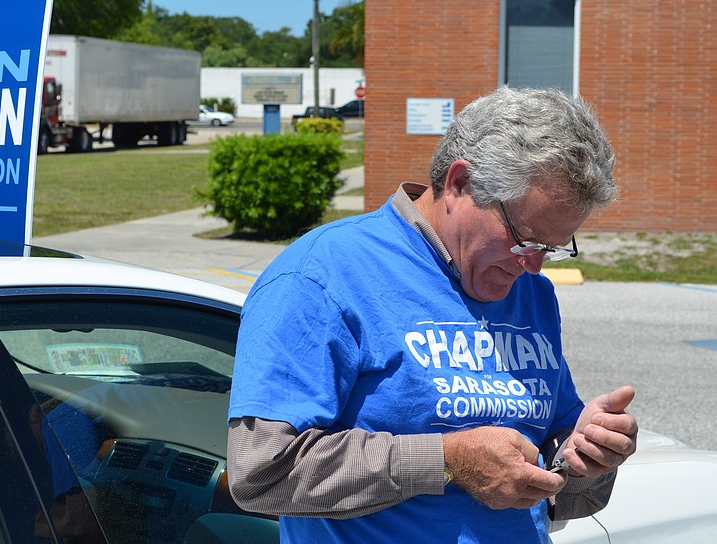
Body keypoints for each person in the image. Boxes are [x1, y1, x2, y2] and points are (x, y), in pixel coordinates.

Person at [226, 86, 638, 543]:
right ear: (460, 184)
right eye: (524, 238)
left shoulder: (529, 290)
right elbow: (260, 473)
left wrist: (586, 455)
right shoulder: (324, 273)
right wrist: (447, 460)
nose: (534, 266)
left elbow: (562, 489)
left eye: (552, 247)